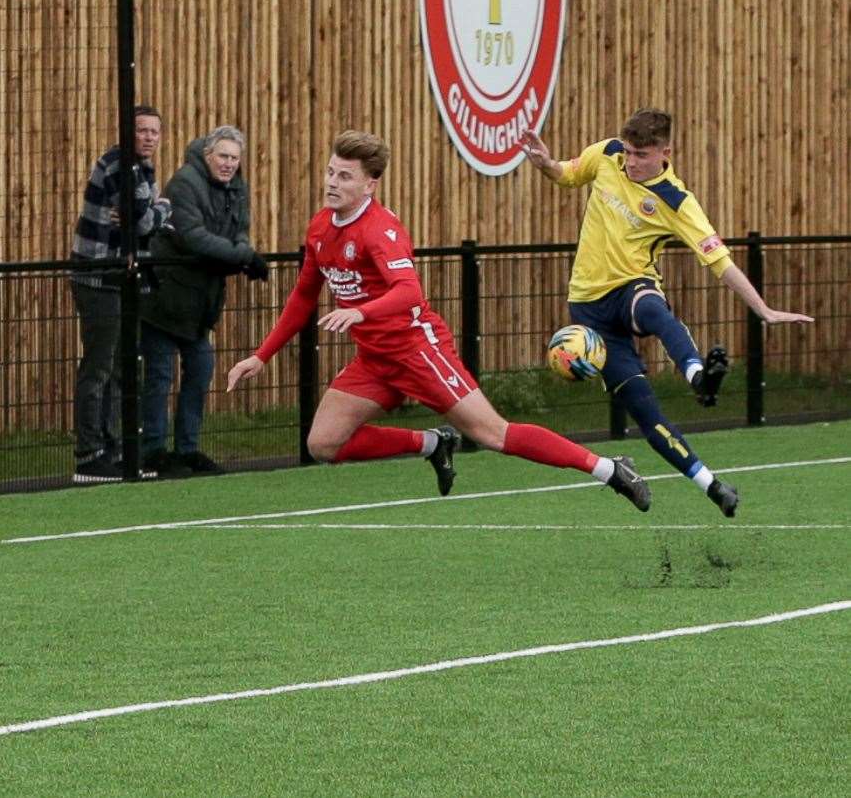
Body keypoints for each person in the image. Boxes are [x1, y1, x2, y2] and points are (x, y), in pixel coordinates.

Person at [228, 131, 651, 511]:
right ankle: (432, 443)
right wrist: (261, 356)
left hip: (418, 351)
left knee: (493, 434)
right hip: (376, 358)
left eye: (344, 177)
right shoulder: (321, 226)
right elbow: (304, 296)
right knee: (322, 443)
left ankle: (610, 469)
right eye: (330, 173)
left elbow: (408, 291)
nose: (332, 183)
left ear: (370, 184)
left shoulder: (380, 231)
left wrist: (361, 311)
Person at [520, 109, 814, 516]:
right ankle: (712, 486)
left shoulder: (676, 200)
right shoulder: (607, 154)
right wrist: (547, 165)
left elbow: (719, 261)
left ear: (665, 152)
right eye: (628, 152)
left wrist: (763, 309)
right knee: (645, 412)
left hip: (631, 287)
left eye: (641, 154)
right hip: (587, 309)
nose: (631, 161)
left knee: (654, 309)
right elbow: (569, 174)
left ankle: (698, 377)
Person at [143, 125, 268, 477]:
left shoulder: (235, 186)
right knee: (160, 374)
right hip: (166, 296)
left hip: (200, 302)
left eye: (234, 158)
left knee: (200, 371)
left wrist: (240, 250)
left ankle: (187, 448)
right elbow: (193, 237)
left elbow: (240, 226)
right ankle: (152, 450)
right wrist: (243, 256)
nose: (229, 164)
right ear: (208, 155)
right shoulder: (184, 183)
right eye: (223, 156)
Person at [68, 105, 172, 482]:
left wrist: (149, 211)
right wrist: (162, 209)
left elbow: (140, 218)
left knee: (120, 367)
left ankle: (113, 450)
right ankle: (89, 455)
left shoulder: (141, 170)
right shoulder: (118, 165)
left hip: (122, 278)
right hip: (99, 277)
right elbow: (144, 220)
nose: (147, 137)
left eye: (153, 132)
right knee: (99, 366)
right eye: (141, 130)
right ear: (128, 133)